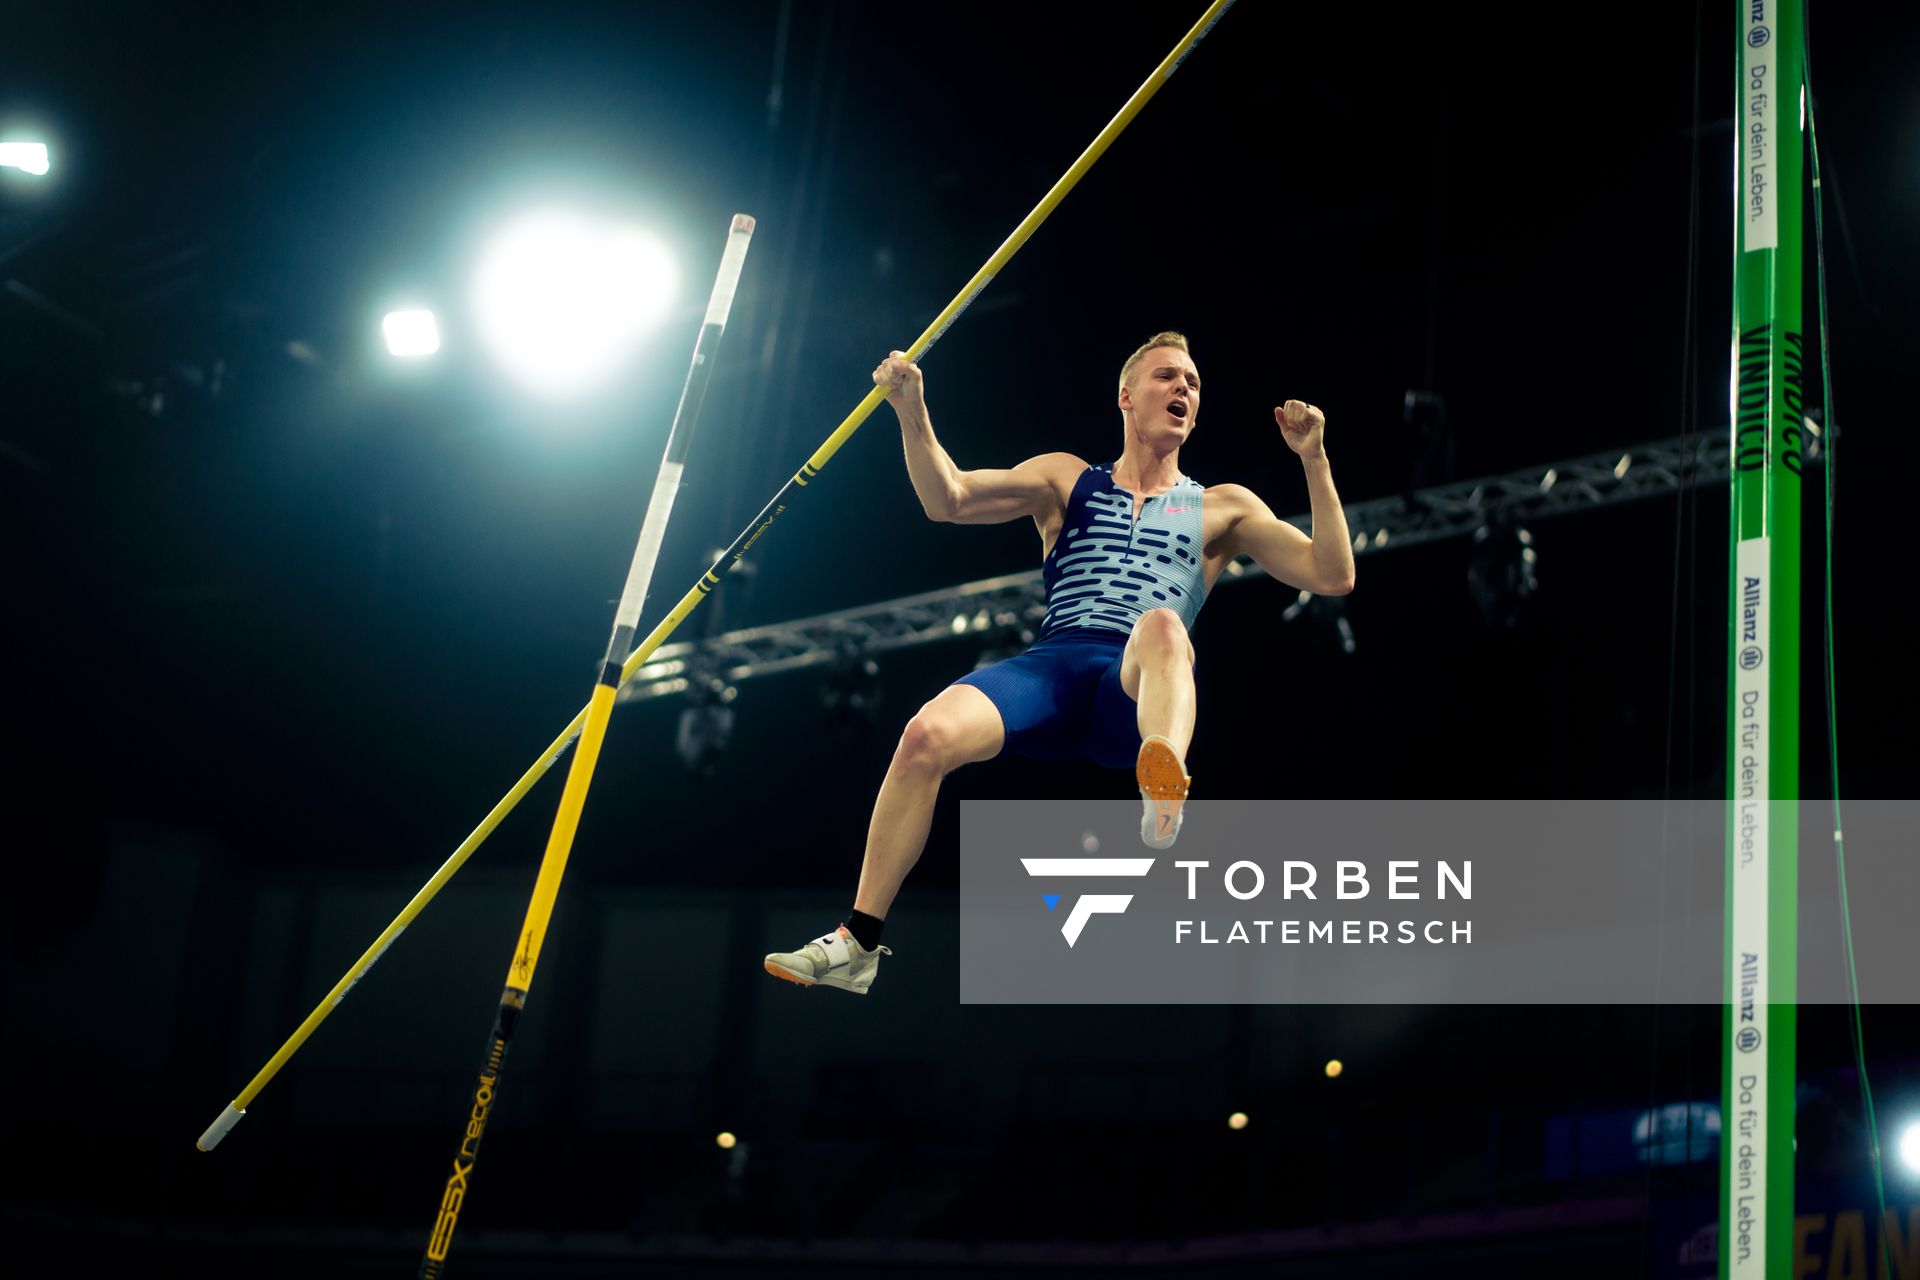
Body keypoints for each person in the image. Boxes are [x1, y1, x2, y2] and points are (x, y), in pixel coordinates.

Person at [764, 331, 1355, 993]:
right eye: (1167, 377)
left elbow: (1331, 575)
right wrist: (911, 409)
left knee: (1161, 625)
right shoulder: (1066, 479)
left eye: (1192, 383)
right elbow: (947, 499)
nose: (1183, 389)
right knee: (924, 735)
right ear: (1126, 397)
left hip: (1131, 688)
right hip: (1049, 671)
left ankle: (1164, 789)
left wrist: (1315, 461)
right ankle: (858, 943)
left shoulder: (1223, 506)